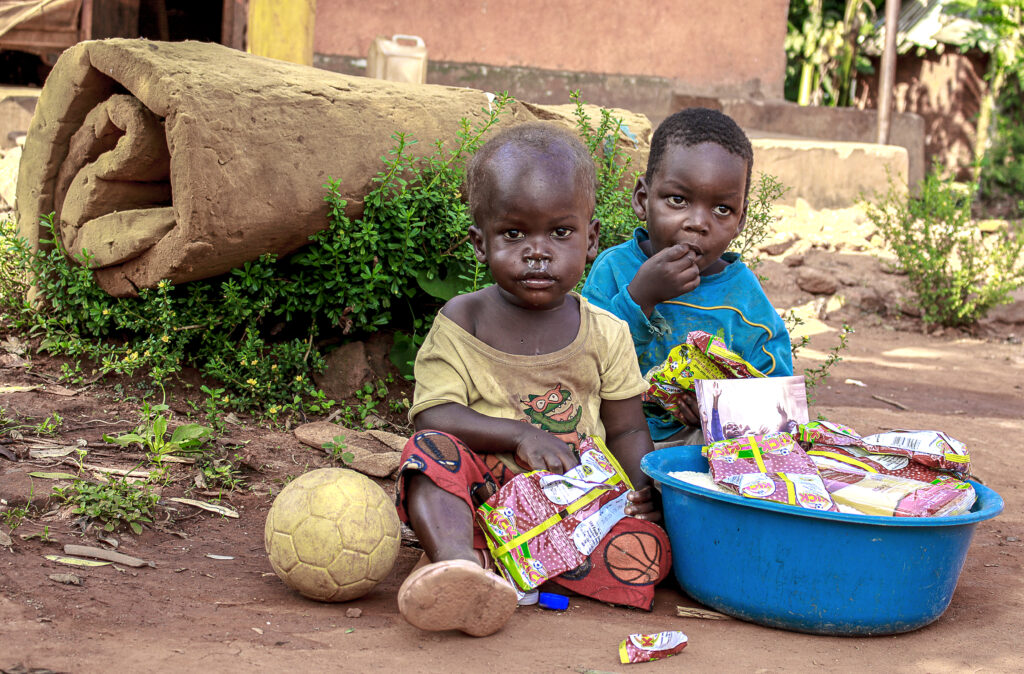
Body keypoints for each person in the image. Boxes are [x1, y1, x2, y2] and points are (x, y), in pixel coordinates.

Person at [394, 123, 671, 638]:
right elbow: (435, 414)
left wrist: (642, 491)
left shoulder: (605, 333)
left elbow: (629, 430)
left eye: (560, 232)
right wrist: (521, 434)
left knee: (649, 556)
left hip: (573, 508)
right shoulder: (462, 322)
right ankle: (459, 564)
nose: (537, 251)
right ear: (481, 242)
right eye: (514, 234)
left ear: (590, 240)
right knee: (430, 452)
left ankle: (507, 570)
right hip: (482, 495)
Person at [582, 108, 793, 445]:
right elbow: (584, 365)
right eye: (677, 200)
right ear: (642, 199)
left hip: (696, 449)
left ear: (740, 220)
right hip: (615, 440)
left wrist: (721, 409)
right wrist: (640, 299)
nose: (698, 222)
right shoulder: (614, 269)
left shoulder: (743, 297)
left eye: (722, 209)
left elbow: (779, 403)